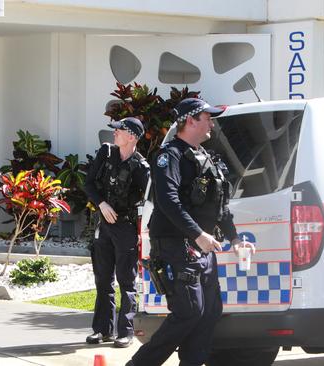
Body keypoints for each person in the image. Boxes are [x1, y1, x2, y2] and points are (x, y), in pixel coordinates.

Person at [127, 98, 252, 366]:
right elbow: (168, 201)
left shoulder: (206, 157)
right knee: (189, 312)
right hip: (176, 247)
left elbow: (221, 206)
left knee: (208, 314)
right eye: (207, 117)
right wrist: (198, 234)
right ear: (191, 120)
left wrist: (235, 239)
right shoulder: (168, 156)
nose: (211, 123)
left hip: (201, 249)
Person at [83, 117, 150, 348]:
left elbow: (150, 200)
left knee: (126, 281)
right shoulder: (106, 153)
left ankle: (126, 332)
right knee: (103, 279)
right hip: (104, 223)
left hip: (125, 227)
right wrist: (101, 203)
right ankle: (102, 330)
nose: (114, 133)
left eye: (119, 130)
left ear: (131, 136)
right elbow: (88, 184)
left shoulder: (142, 168)